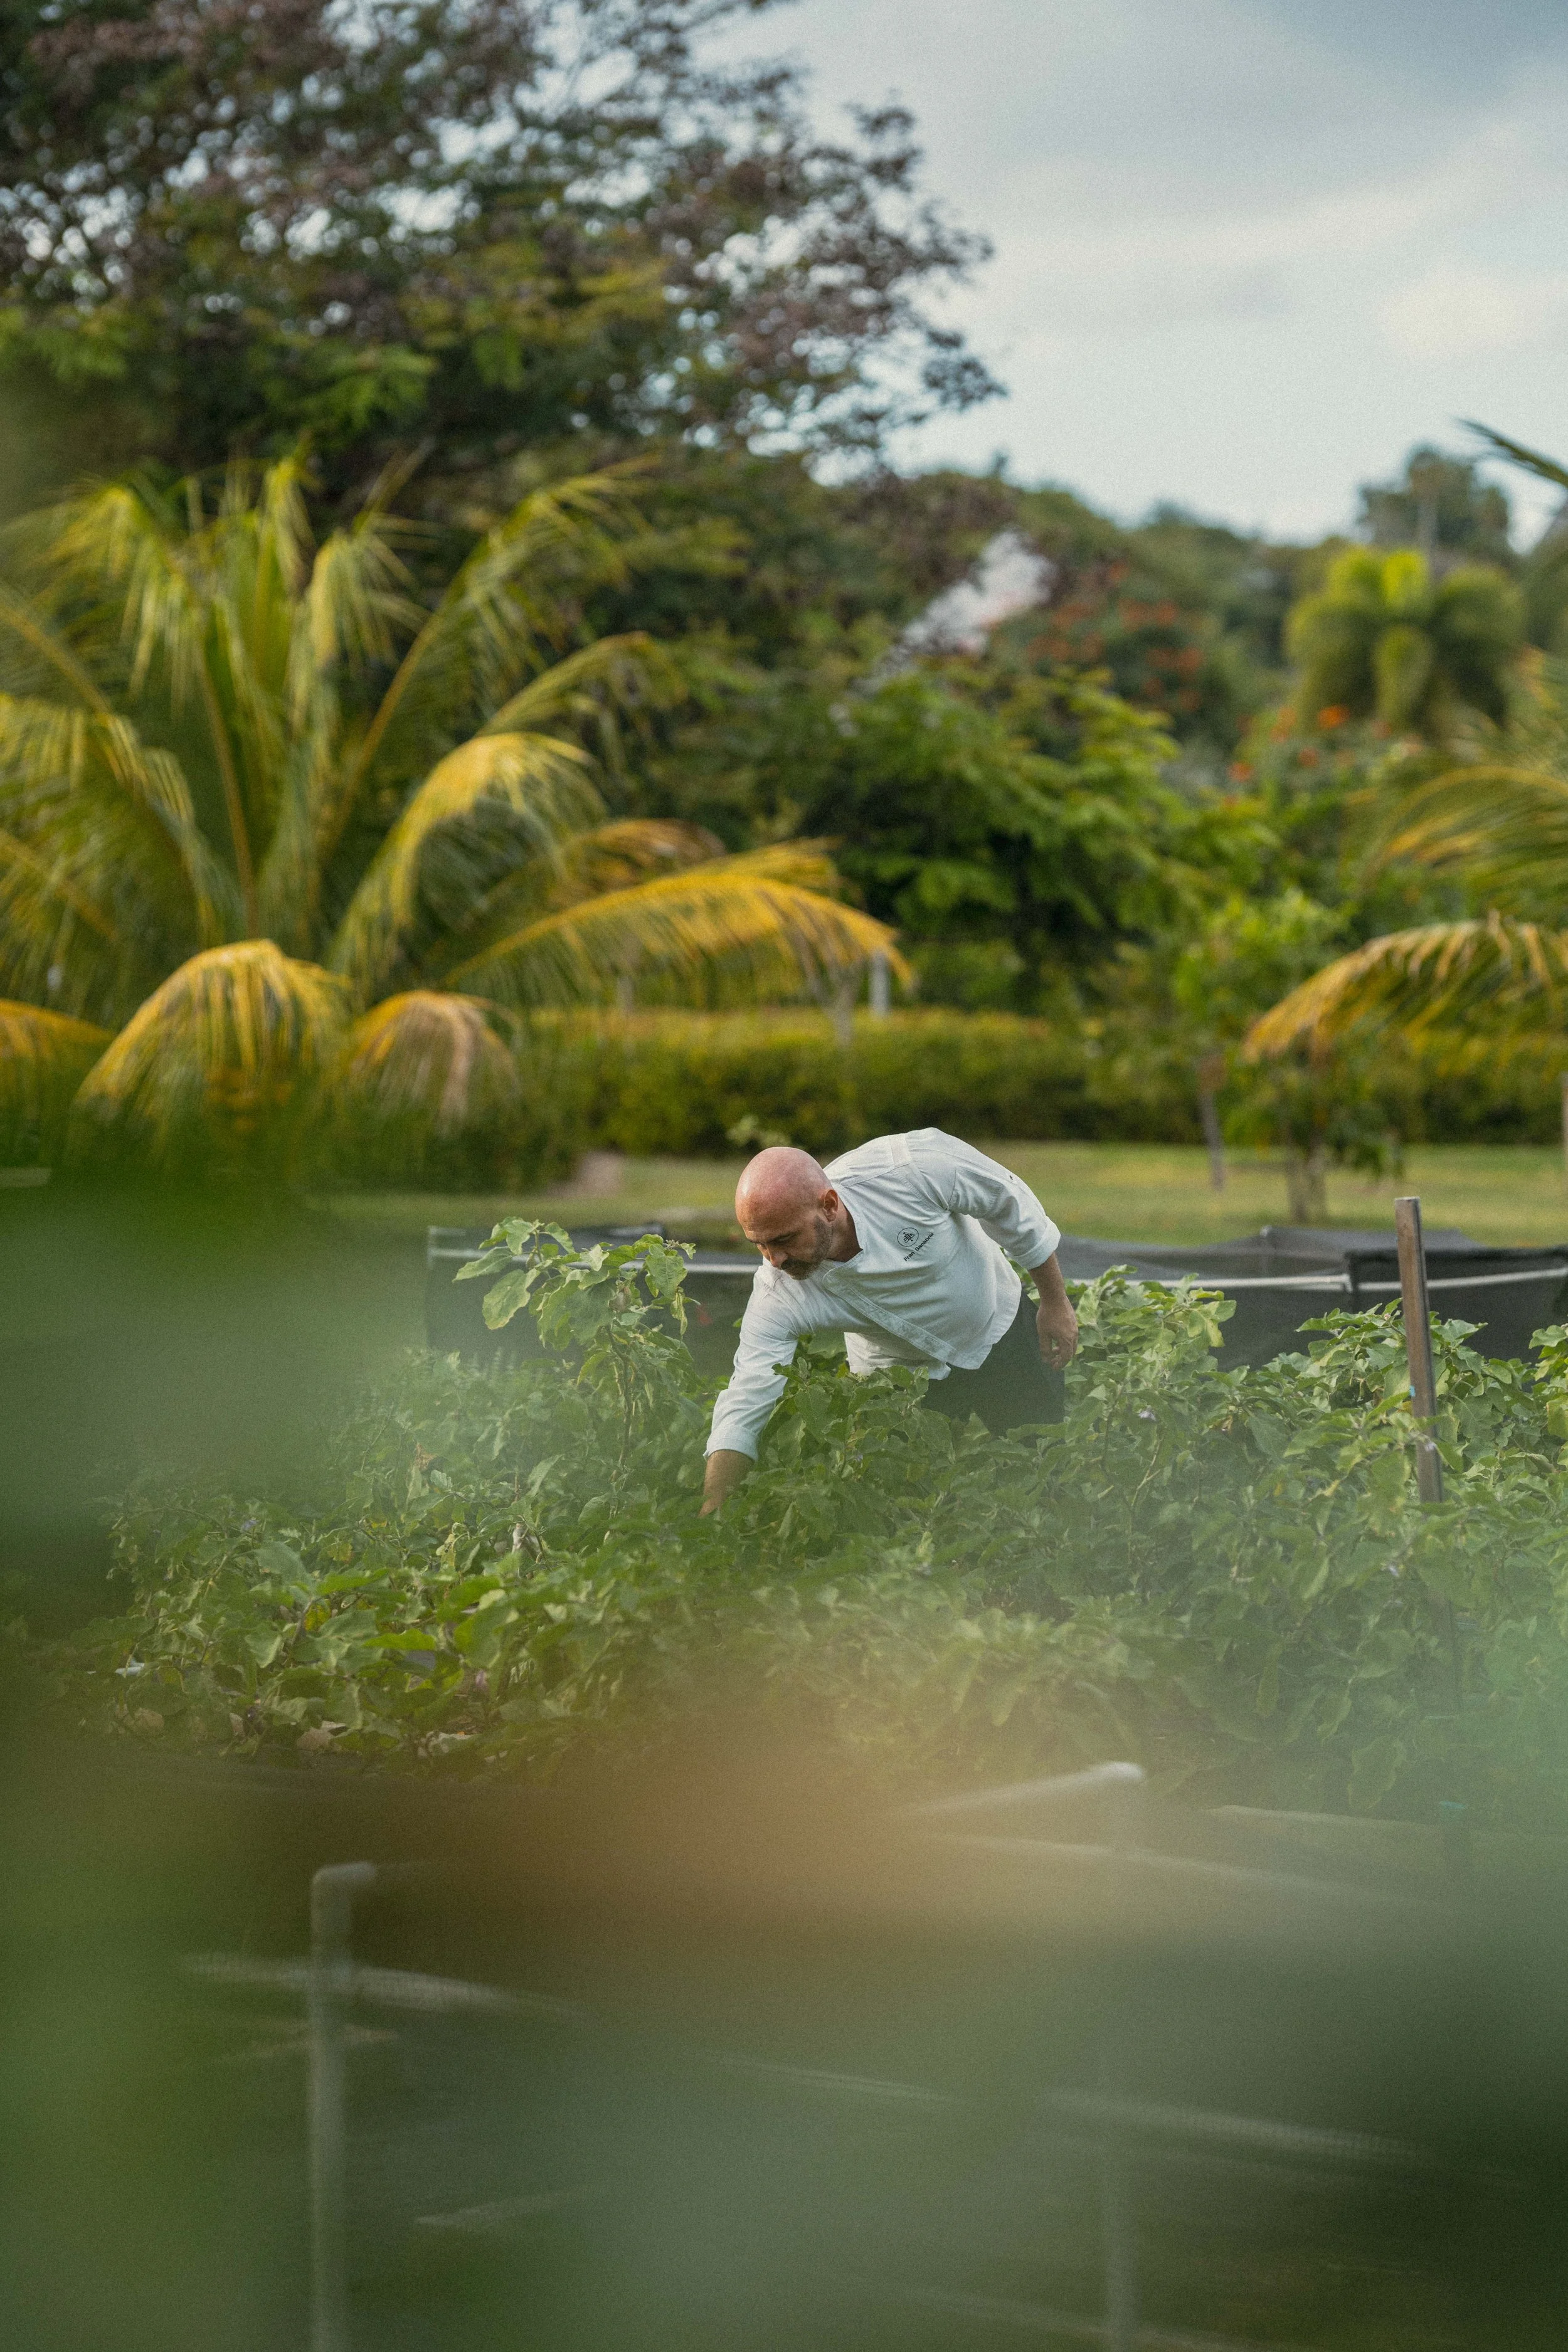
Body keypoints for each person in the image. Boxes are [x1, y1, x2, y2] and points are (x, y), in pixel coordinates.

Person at [701, 1128, 1077, 1514]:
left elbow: (1008, 1204)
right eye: (759, 1244)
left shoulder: (910, 1169)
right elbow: (748, 1394)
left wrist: (1055, 1302)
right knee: (906, 1509)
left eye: (783, 1239)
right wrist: (715, 1502)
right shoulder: (778, 1292)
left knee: (1043, 1470)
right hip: (899, 1379)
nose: (773, 1259)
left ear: (829, 1206)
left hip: (998, 1324)